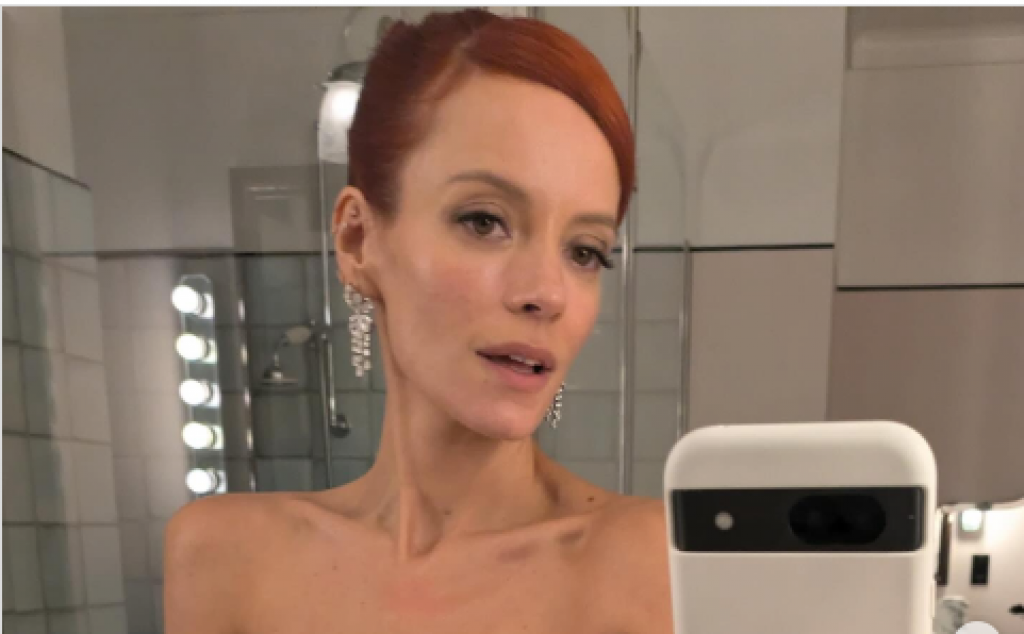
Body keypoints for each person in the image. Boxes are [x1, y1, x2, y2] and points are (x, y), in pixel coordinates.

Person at [165, 9, 672, 632]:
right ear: (357, 240)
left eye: (585, 252)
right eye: (484, 221)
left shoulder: (654, 563)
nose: (547, 293)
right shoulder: (224, 556)